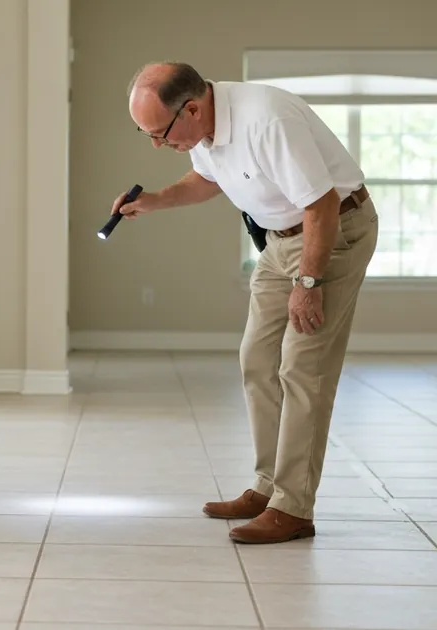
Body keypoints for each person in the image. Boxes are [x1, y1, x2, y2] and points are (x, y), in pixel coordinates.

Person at [113, 62, 379, 544]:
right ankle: (268, 486)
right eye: (145, 134)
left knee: (304, 367)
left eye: (159, 133)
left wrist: (309, 282)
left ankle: (294, 507)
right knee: (257, 358)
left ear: (192, 108)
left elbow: (320, 206)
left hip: (332, 233)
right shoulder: (203, 131)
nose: (156, 144)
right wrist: (153, 200)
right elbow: (207, 181)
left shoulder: (267, 120)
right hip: (280, 240)